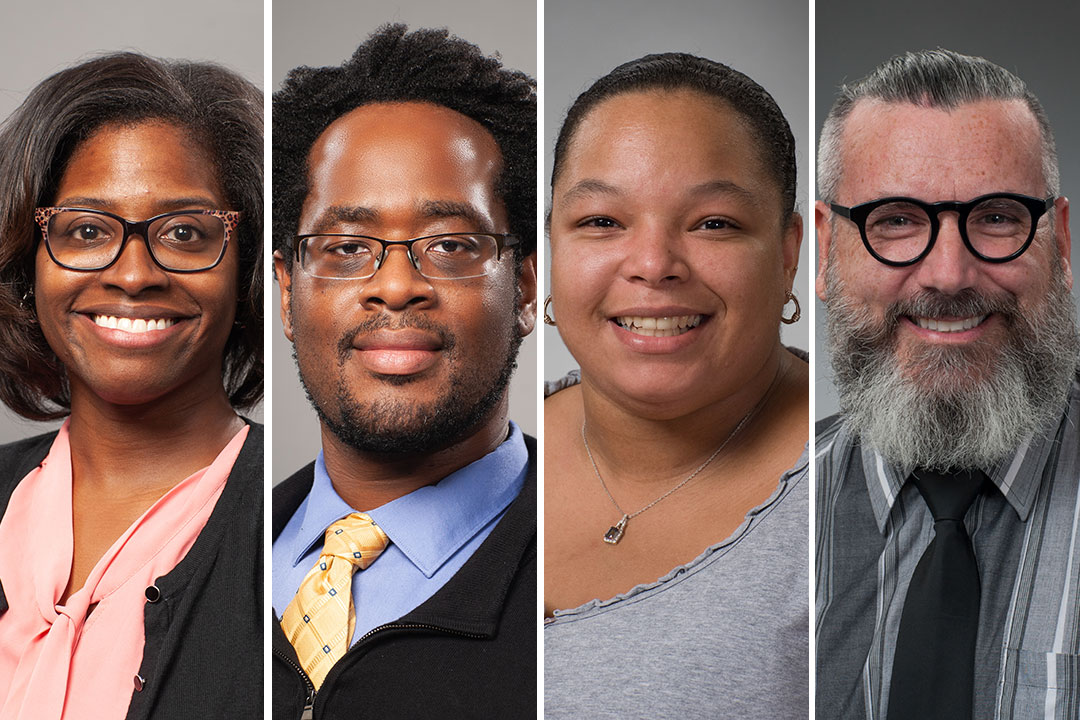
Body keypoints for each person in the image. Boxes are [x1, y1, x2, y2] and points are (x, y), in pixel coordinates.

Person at [270, 25, 537, 719]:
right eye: (346, 245)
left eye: (450, 245)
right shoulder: (199, 554)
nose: (395, 285)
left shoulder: (592, 577)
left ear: (529, 290)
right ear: (285, 293)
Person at [815, 49, 1080, 720]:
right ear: (824, 252)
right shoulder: (760, 512)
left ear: (1062, 245)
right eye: (897, 220)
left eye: (996, 217)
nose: (949, 275)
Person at [543, 53, 809, 718]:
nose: (655, 265)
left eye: (713, 222)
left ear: (787, 254)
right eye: (602, 221)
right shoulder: (478, 447)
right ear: (551, 247)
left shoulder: (861, 493)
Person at [0, 52, 263, 720]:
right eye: (87, 229)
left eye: (184, 232)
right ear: (27, 262)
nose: (134, 273)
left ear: (248, 266)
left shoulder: (300, 527)